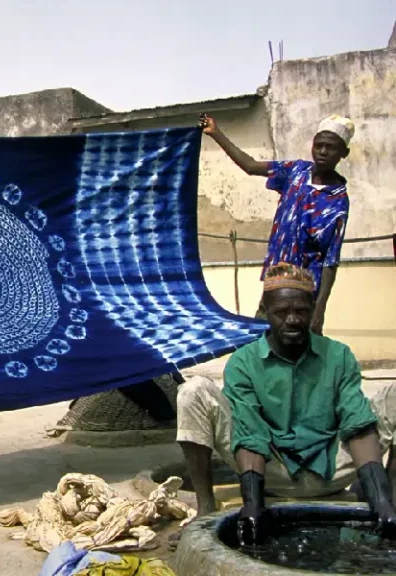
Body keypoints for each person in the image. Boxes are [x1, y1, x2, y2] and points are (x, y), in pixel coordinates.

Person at [175, 263, 396, 545]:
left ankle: (389, 502)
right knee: (193, 392)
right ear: (266, 312)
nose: (292, 320)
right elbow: (251, 434)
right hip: (271, 472)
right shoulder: (244, 362)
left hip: (331, 470)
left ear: (313, 308)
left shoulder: (338, 356)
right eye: (281, 312)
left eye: (301, 311)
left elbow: (357, 424)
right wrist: (253, 506)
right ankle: (205, 508)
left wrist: (380, 498)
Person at [199, 114, 354, 334]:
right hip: (276, 281)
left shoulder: (337, 201)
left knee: (296, 350)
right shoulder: (295, 172)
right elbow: (251, 166)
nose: (323, 151)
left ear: (343, 153)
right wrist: (215, 132)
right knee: (261, 343)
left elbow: (331, 258)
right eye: (318, 145)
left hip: (305, 290)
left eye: (331, 147)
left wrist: (320, 309)